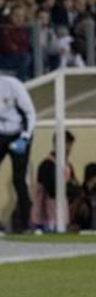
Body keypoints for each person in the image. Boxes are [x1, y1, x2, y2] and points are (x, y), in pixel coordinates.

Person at [0, 70, 36, 232]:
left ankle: (25, 222)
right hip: (1, 134)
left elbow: (30, 113)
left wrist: (25, 137)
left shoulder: (12, 85)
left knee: (18, 179)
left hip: (19, 133)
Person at [31, 131, 77, 231]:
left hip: (62, 215)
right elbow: (53, 189)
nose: (69, 149)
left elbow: (75, 187)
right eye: (66, 145)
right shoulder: (47, 165)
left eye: (70, 145)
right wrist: (70, 188)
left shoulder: (68, 165)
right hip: (45, 218)